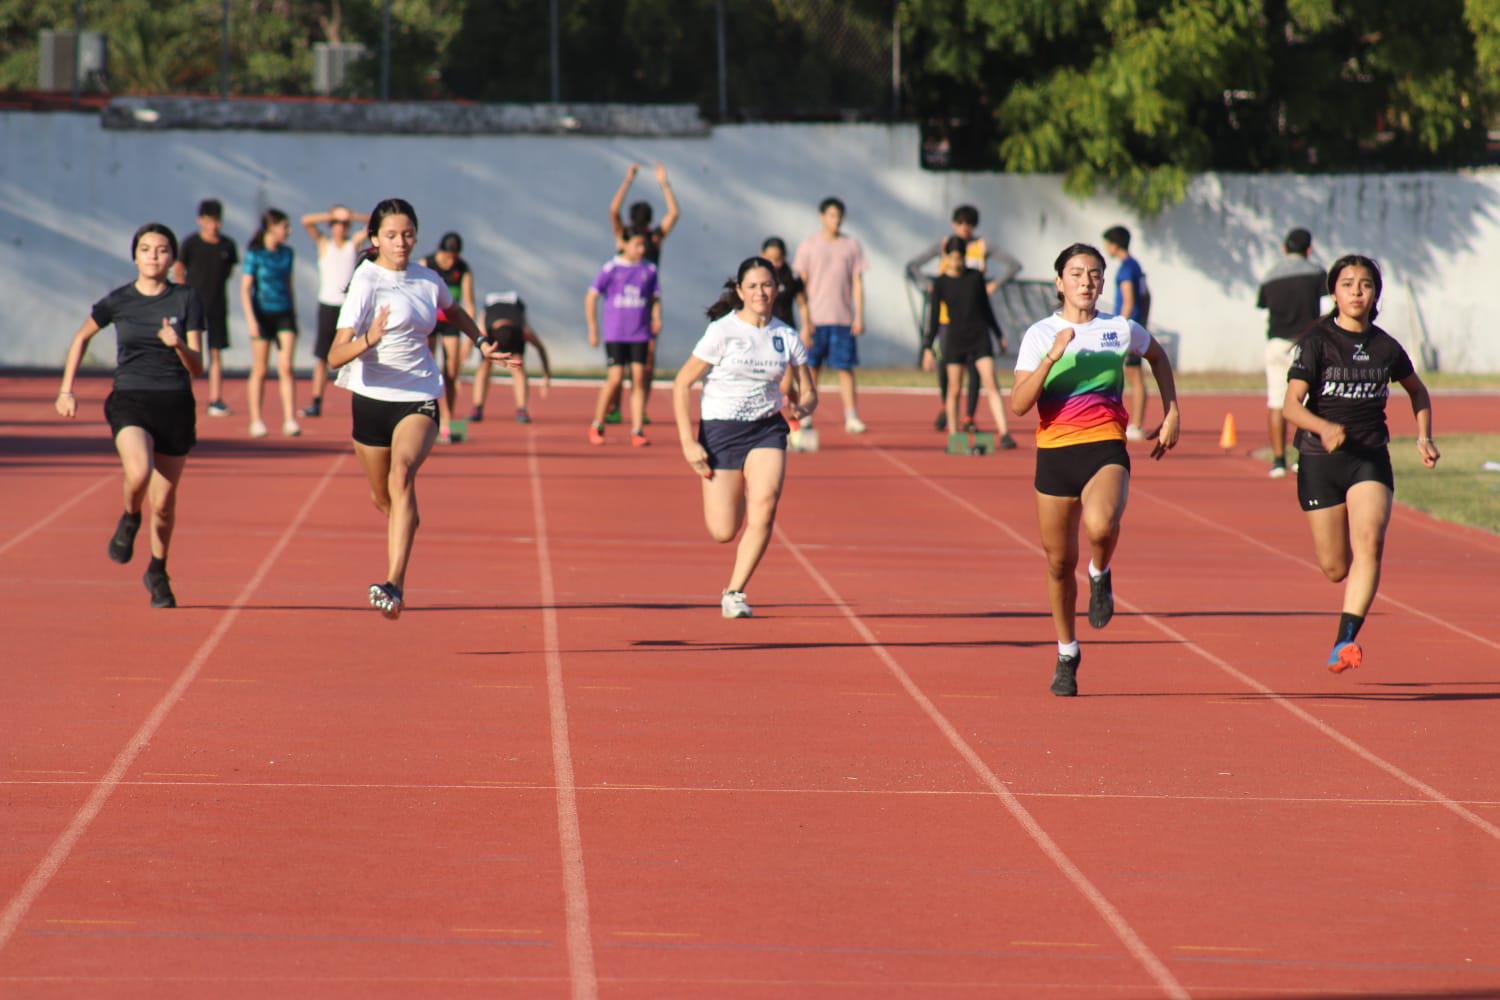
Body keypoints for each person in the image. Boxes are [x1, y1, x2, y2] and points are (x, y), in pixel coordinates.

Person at [327, 198, 518, 619]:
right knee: (386, 500)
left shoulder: (428, 279)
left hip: (419, 395)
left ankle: (394, 584)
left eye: (408, 234)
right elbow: (334, 356)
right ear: (374, 239)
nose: (401, 243)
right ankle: (404, 522)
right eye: (392, 236)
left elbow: (454, 310)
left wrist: (482, 343)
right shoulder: (365, 282)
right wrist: (367, 341)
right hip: (371, 400)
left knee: (402, 474)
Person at [1011, 243, 1181, 697]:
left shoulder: (1120, 328)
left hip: (1105, 445)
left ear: (1102, 283)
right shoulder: (1039, 334)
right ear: (1059, 283)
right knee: (1057, 563)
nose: (1086, 281)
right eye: (1076, 273)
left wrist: (1172, 411)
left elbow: (1158, 357)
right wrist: (1052, 355)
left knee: (1101, 524)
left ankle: (1101, 571)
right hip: (1054, 454)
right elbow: (1019, 406)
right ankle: (1067, 652)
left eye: (1094, 274)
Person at [1281, 255, 1438, 673]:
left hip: (1369, 457)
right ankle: (1352, 589)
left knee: (1369, 541)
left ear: (1375, 295)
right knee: (1335, 568)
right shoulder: (1317, 342)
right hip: (1319, 459)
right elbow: (1290, 407)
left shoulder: (1386, 347)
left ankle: (1344, 641)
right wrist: (1324, 428)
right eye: (1347, 284)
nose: (1356, 292)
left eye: (1365, 285)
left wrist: (1424, 435)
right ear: (1334, 292)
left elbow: (1418, 391)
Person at [55, 223, 204, 608]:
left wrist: (179, 346)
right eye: (146, 249)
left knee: (166, 504)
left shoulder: (187, 299)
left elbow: (199, 367)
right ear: (135, 256)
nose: (154, 256)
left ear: (171, 258)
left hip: (175, 404)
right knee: (138, 472)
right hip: (130, 398)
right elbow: (81, 337)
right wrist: (66, 390)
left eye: (162, 249)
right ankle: (129, 516)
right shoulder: (119, 301)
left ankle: (157, 570)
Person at [673, 256, 817, 618]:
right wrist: (688, 443)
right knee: (723, 530)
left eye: (767, 285)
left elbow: (810, 391)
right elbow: (681, 384)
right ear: (739, 291)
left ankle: (734, 591)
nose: (760, 292)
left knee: (765, 505)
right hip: (720, 431)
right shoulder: (722, 332)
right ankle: (726, 493)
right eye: (752, 286)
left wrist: (802, 408)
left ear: (777, 288)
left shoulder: (786, 336)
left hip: (766, 428)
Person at [906, 205, 1022, 431]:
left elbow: (1014, 266)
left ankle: (970, 414)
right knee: (950, 377)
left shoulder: (980, 252)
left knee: (980, 374)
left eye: (968, 224)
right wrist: (928, 286)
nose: (964, 228)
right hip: (949, 322)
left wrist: (994, 284)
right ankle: (948, 410)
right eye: (960, 223)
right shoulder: (943, 249)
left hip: (975, 320)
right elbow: (913, 266)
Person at [604, 162, 680, 423]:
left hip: (645, 301)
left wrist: (629, 180)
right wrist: (663, 182)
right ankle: (621, 405)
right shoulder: (625, 236)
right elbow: (674, 212)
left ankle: (634, 407)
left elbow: (673, 214)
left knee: (639, 362)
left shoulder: (653, 238)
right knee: (639, 363)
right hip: (627, 302)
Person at [922, 237, 1016, 448]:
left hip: (979, 336)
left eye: (960, 258)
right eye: (953, 258)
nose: (956, 262)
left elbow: (986, 309)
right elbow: (934, 317)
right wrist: (928, 346)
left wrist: (998, 334)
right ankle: (955, 437)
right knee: (954, 388)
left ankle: (1004, 433)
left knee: (991, 382)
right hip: (954, 338)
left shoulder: (975, 278)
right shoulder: (940, 283)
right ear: (946, 257)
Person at [794, 197, 868, 434]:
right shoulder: (808, 245)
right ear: (822, 217)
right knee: (811, 369)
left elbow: (857, 282)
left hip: (843, 318)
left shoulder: (852, 245)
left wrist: (859, 316)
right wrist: (805, 322)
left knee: (845, 369)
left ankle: (851, 416)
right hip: (816, 319)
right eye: (831, 216)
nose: (836, 221)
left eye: (839, 216)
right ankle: (806, 415)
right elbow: (800, 287)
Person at [1256, 227, 1324, 478]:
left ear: (1284, 249)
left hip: (1277, 343)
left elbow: (1263, 305)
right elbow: (1329, 304)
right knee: (1308, 401)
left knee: (1276, 402)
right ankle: (1302, 457)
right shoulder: (1317, 273)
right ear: (1309, 250)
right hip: (1307, 343)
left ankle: (1277, 461)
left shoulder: (1271, 274)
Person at [586, 227, 661, 446]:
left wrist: (656, 318)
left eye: (643, 245)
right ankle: (597, 424)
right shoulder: (611, 268)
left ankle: (637, 430)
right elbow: (591, 297)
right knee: (615, 378)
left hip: (640, 333)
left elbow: (655, 298)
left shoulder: (649, 269)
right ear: (624, 244)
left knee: (638, 378)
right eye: (637, 244)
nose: (641, 249)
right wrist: (593, 328)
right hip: (616, 333)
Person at [300, 204, 369, 419]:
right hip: (327, 306)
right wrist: (332, 214)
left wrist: (351, 215)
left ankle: (363, 399)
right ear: (331, 225)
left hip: (347, 307)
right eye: (337, 223)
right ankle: (316, 401)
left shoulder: (353, 244)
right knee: (322, 357)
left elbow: (374, 222)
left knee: (357, 353)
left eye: (345, 223)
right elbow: (306, 221)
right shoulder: (324, 244)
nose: (341, 227)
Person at [173, 199, 237, 417]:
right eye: (209, 221)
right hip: (193, 307)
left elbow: (229, 271)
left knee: (216, 353)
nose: (213, 225)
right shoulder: (190, 243)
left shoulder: (228, 245)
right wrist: (182, 296)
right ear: (200, 221)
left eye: (217, 221)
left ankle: (215, 399)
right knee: (190, 351)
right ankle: (183, 396)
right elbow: (179, 268)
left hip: (218, 306)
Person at [240, 208, 301, 438]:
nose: (289, 231)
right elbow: (246, 289)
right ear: (272, 228)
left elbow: (289, 285)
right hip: (261, 313)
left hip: (284, 313)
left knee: (286, 367)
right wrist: (251, 320)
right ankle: (256, 420)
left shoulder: (287, 253)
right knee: (261, 369)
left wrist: (293, 316)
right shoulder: (255, 254)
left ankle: (290, 419)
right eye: (285, 227)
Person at [419, 232, 476, 444]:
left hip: (451, 320)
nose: (450, 261)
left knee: (452, 371)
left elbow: (469, 302)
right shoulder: (427, 263)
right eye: (447, 256)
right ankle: (427, 417)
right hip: (430, 321)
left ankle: (448, 419)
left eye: (454, 257)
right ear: (440, 251)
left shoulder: (463, 269)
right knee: (429, 369)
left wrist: (470, 340)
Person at [1101, 225, 1152, 441]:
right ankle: (1132, 422)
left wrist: (1120, 326)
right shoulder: (1136, 266)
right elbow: (1147, 297)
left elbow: (1129, 301)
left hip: (1127, 327)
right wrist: (1143, 323)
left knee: (1133, 375)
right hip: (1135, 325)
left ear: (1113, 245)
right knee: (1132, 374)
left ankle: (1137, 425)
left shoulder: (1125, 270)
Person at [473, 290, 551, 424]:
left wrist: (546, 377)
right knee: (484, 366)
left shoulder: (524, 332)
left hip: (515, 308)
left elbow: (541, 348)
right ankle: (477, 408)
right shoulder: (485, 331)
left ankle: (522, 409)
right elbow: (472, 337)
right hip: (491, 309)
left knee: (517, 367)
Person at [760, 237, 807, 328]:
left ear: (784, 257)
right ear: (762, 255)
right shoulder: (754, 276)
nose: (773, 263)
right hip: (762, 326)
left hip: (786, 326)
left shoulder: (792, 276)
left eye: (777, 259)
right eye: (769, 258)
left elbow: (803, 304)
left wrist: (806, 328)